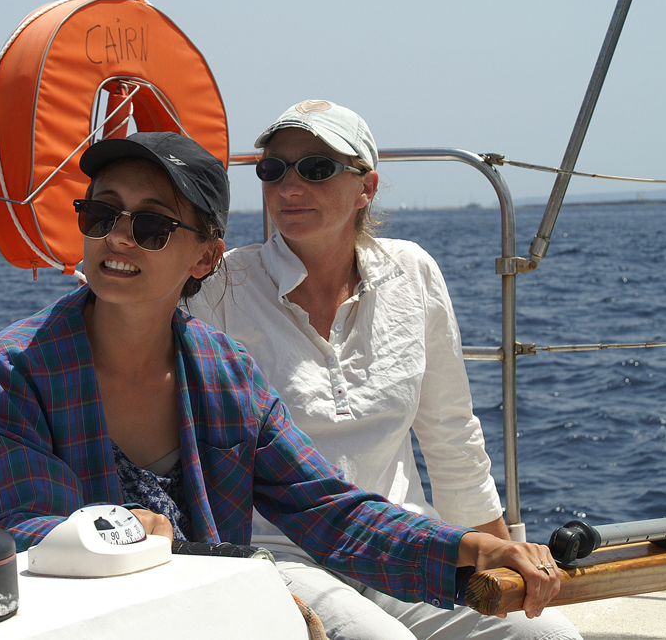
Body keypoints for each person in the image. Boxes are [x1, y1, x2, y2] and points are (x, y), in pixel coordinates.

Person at [0, 130, 563, 619]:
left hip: (212, 609)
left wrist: (471, 549)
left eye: (152, 226)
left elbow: (328, 510)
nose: (119, 236)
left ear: (205, 257)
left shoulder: (228, 374)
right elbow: (17, 525)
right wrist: (118, 532)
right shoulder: (20, 367)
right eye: (101, 214)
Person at [187, 102, 581, 640]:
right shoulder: (220, 287)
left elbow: (450, 433)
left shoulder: (413, 272)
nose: (289, 186)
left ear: (366, 187)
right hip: (281, 555)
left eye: (316, 168)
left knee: (548, 635)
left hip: (402, 544)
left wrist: (497, 552)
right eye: (273, 169)